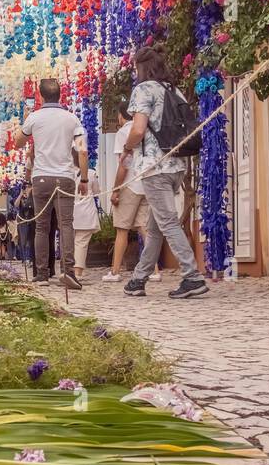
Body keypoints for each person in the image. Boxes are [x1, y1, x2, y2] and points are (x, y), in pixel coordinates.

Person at [120, 46, 208, 299]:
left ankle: (192, 276)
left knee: (167, 221)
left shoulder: (143, 90)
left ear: (141, 68)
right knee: (156, 225)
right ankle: (139, 278)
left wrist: (127, 148)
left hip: (154, 167)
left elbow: (138, 129)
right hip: (175, 165)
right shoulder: (172, 89)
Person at [14, 76, 86, 289]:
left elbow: (19, 142)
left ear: (41, 95)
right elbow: (82, 150)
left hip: (41, 178)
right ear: (60, 94)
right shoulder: (72, 118)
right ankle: (69, 271)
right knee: (66, 225)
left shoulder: (35, 117)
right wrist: (84, 177)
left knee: (42, 228)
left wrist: (26, 120)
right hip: (65, 177)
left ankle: (42, 274)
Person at [102, 101, 159, 283]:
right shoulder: (146, 129)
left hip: (130, 185)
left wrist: (115, 189)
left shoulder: (124, 132)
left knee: (122, 229)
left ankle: (115, 271)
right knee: (144, 228)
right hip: (145, 184)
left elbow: (124, 164)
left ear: (121, 115)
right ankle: (155, 270)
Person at [71, 168, 100, 280]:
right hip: (86, 212)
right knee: (81, 243)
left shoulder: (66, 172)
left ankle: (71, 269)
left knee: (72, 242)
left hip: (71, 211)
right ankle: (78, 272)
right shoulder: (91, 173)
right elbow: (97, 191)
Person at [15, 180, 35, 264]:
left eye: (29, 187)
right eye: (27, 187)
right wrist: (20, 194)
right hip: (23, 222)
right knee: (24, 241)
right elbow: (16, 205)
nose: (28, 189)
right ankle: (25, 258)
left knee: (31, 241)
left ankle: (31, 259)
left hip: (32, 220)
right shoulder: (22, 198)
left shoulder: (33, 196)